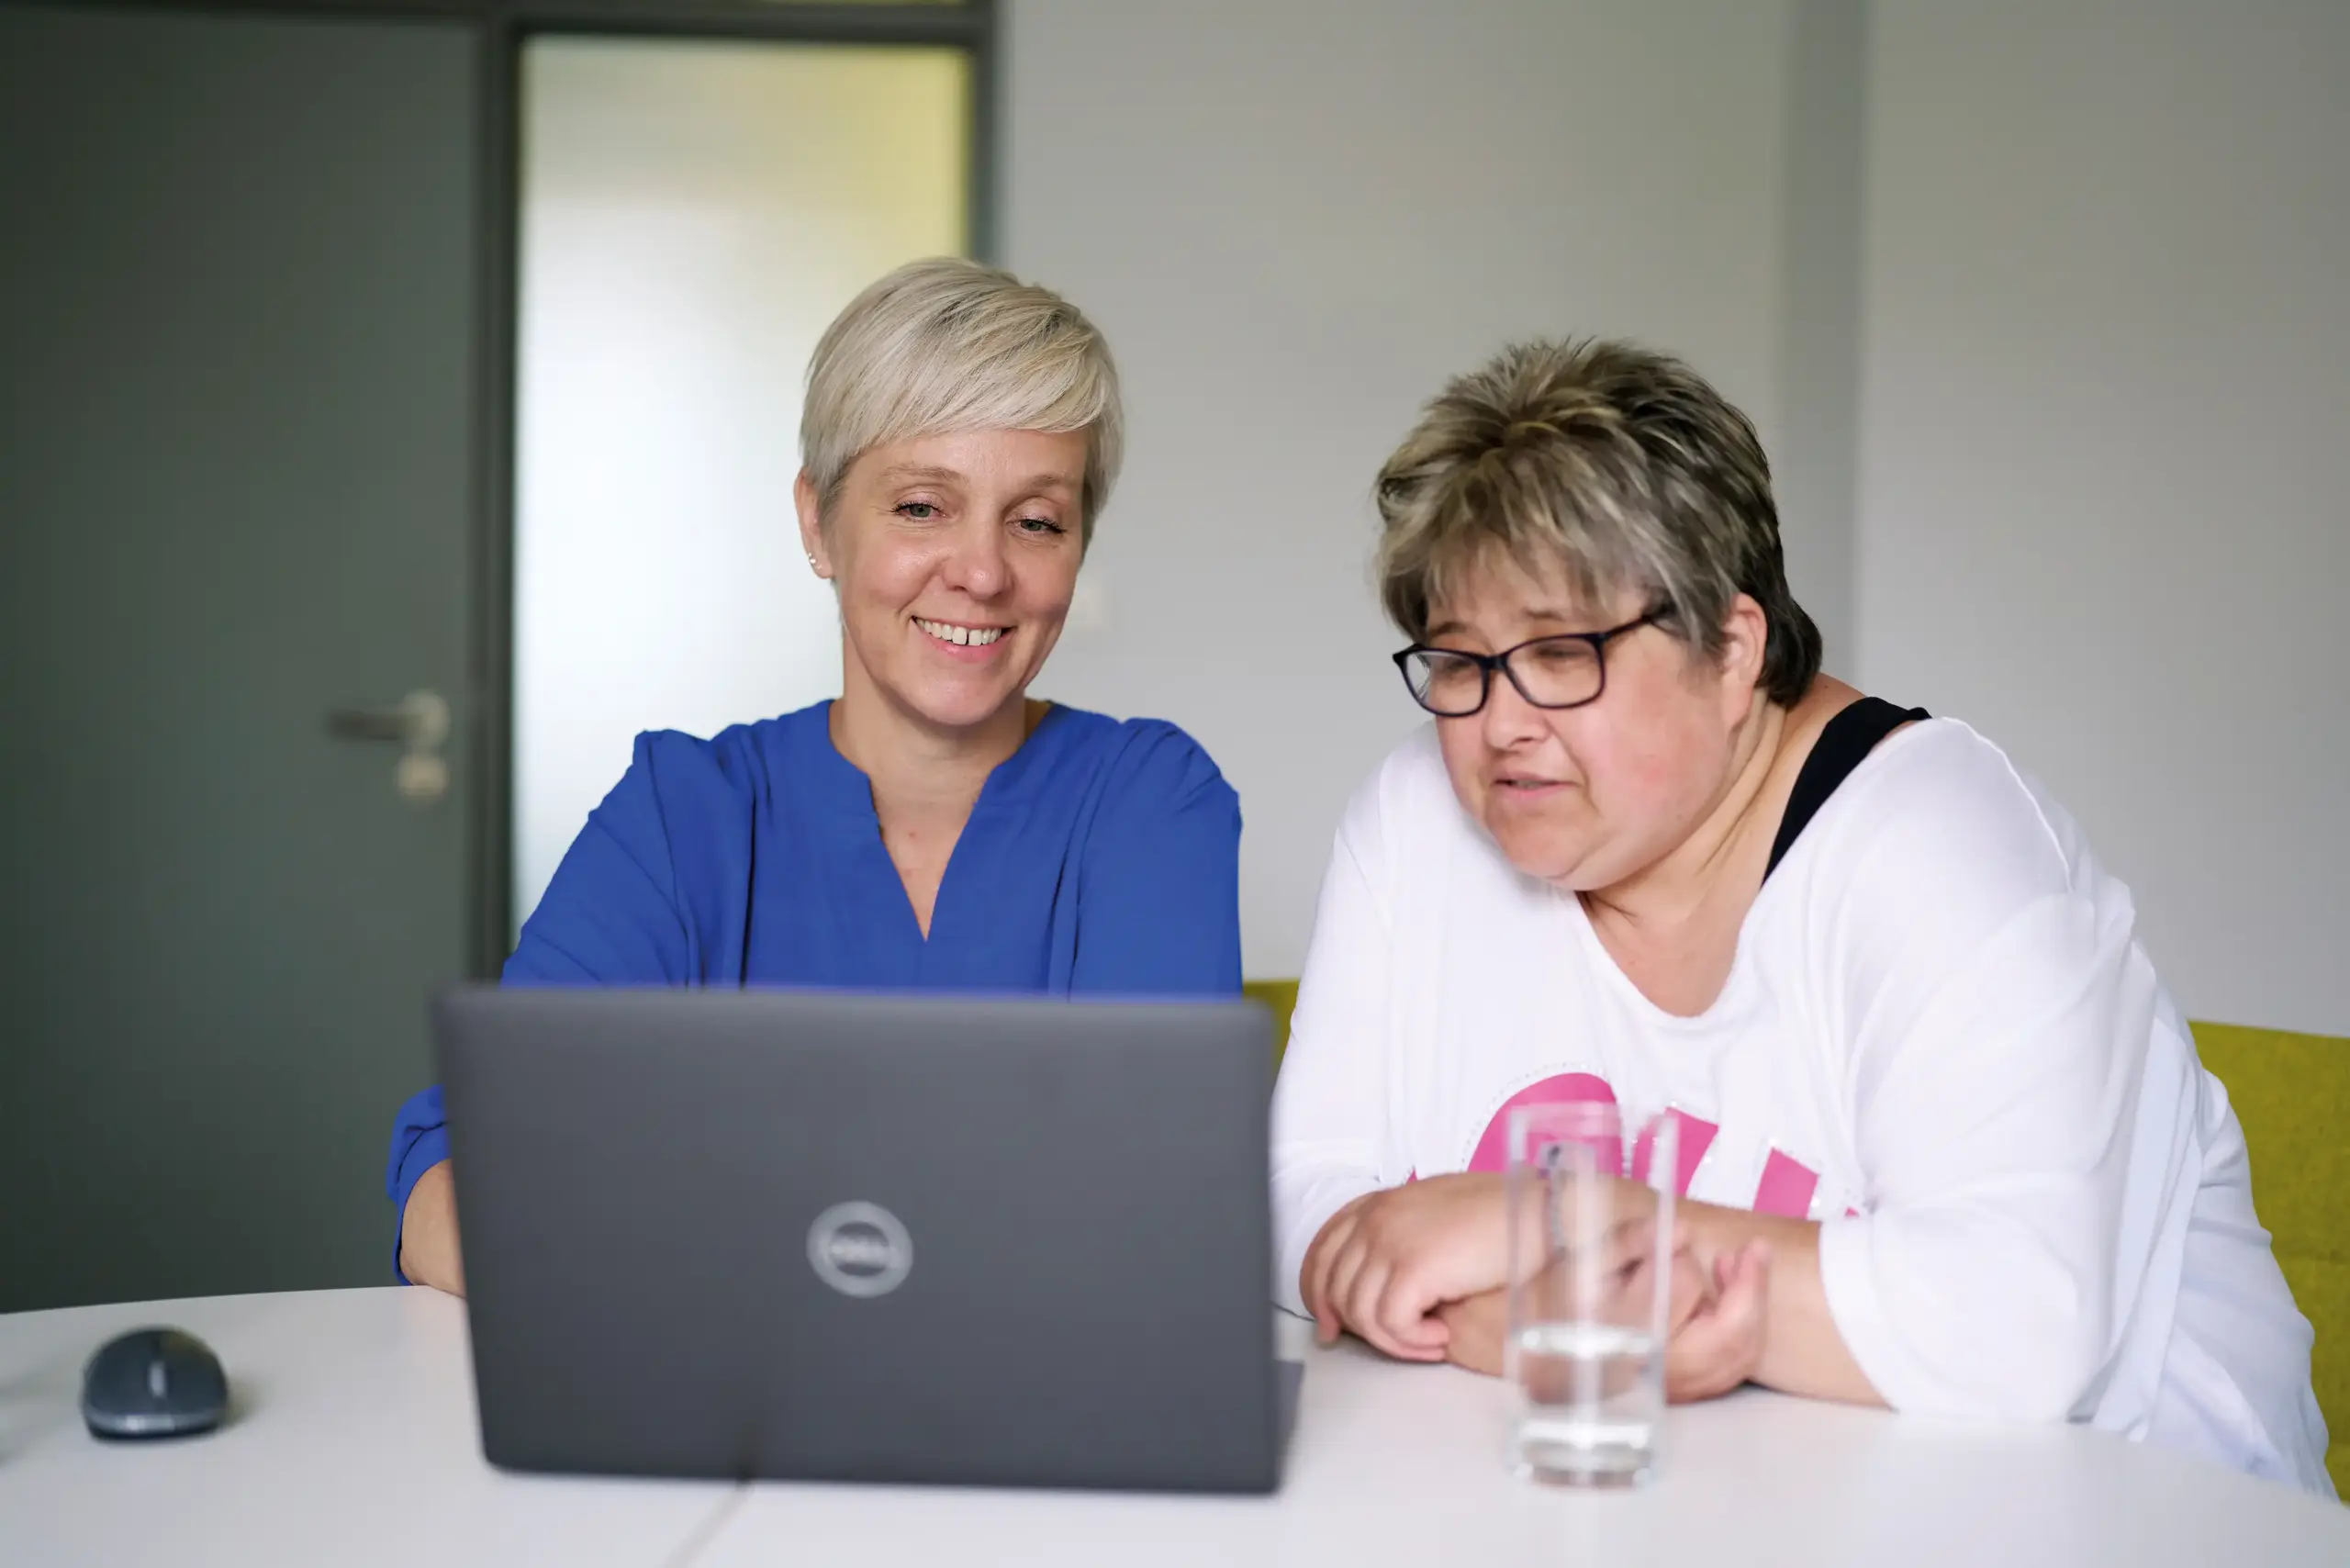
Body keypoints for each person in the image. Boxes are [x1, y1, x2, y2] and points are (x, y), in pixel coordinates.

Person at [1270, 338, 2333, 1494]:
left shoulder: (1934, 837)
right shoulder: (1416, 814)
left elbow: (2016, 1327)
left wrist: (1570, 1223)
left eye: (1561, 653)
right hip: (1699, 1511)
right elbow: (1304, 1205)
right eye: (1460, 661)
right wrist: (1573, 1319)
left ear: (1733, 650)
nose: (1499, 721)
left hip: (2127, 1518)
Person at [389, 258, 1242, 1295]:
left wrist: (678, 1206)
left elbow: (1147, 1208)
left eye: (1036, 520)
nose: (981, 571)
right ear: (815, 521)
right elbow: (466, 1192)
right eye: (923, 506)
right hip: (724, 1428)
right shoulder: (683, 815)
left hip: (1033, 1439)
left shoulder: (1151, 807)